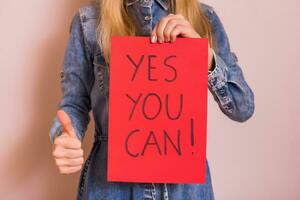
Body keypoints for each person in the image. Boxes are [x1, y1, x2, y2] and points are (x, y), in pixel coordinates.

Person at [49, 0, 255, 199]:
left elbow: (242, 107)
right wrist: (66, 137)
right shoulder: (89, 22)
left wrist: (204, 56)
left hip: (185, 191)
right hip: (110, 188)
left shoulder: (204, 18)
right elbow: (74, 105)